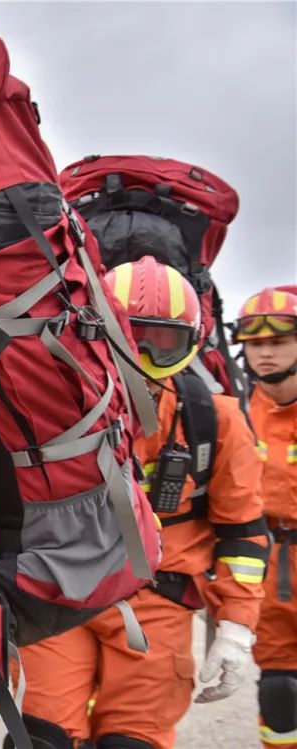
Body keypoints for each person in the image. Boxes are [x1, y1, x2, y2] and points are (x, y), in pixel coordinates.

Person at [13, 256, 268, 749]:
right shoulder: (44, 411)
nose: (144, 353)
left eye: (164, 340)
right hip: (65, 593)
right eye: (129, 334)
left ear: (192, 342)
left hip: (160, 599)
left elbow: (243, 532)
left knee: (133, 742)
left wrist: (237, 629)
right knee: (43, 739)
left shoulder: (214, 421)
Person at [233, 286, 297, 748]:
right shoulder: (232, 412)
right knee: (280, 692)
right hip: (270, 567)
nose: (267, 352)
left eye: (278, 341)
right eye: (256, 344)